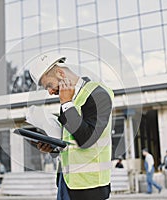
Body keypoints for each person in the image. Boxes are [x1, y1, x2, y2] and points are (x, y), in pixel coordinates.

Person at [29, 53, 114, 200]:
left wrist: (67, 104)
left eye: (49, 85)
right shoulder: (69, 101)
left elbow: (86, 140)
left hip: (89, 188)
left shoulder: (98, 94)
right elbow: (71, 145)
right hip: (66, 183)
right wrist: (53, 148)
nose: (50, 92)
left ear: (60, 73)